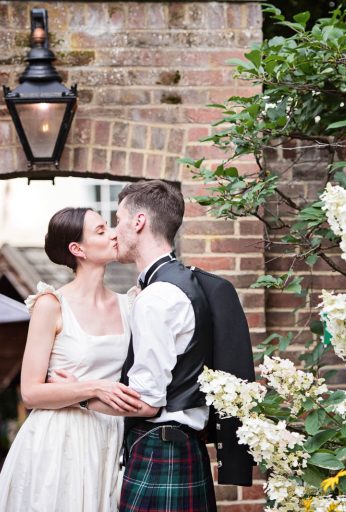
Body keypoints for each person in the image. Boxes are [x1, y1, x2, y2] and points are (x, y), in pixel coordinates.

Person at [0, 207, 155, 512]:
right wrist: (92, 389)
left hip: (109, 436)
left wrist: (92, 393)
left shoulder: (130, 305)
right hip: (58, 440)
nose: (115, 233)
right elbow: (31, 392)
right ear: (78, 249)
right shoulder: (51, 305)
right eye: (102, 231)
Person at [101, 180, 218, 512]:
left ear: (138, 223)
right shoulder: (185, 282)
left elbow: (147, 402)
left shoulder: (156, 297)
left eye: (118, 219)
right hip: (181, 449)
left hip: (160, 451)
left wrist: (80, 396)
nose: (114, 231)